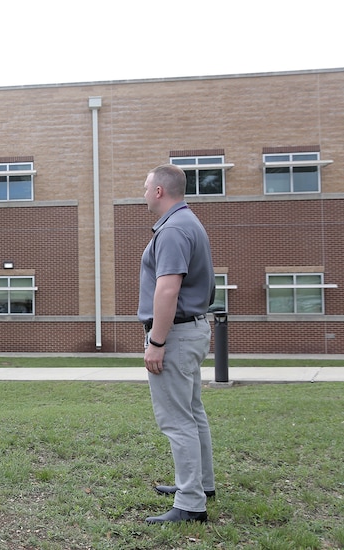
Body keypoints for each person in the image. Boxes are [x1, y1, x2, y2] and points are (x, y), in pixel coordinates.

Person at [138, 164, 216, 524]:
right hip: (192, 329)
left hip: (177, 335)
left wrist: (156, 340)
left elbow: (168, 290)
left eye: (145, 186)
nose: (143, 192)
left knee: (177, 419)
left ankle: (190, 503)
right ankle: (200, 484)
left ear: (158, 192)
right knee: (193, 412)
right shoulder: (188, 223)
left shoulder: (172, 231)